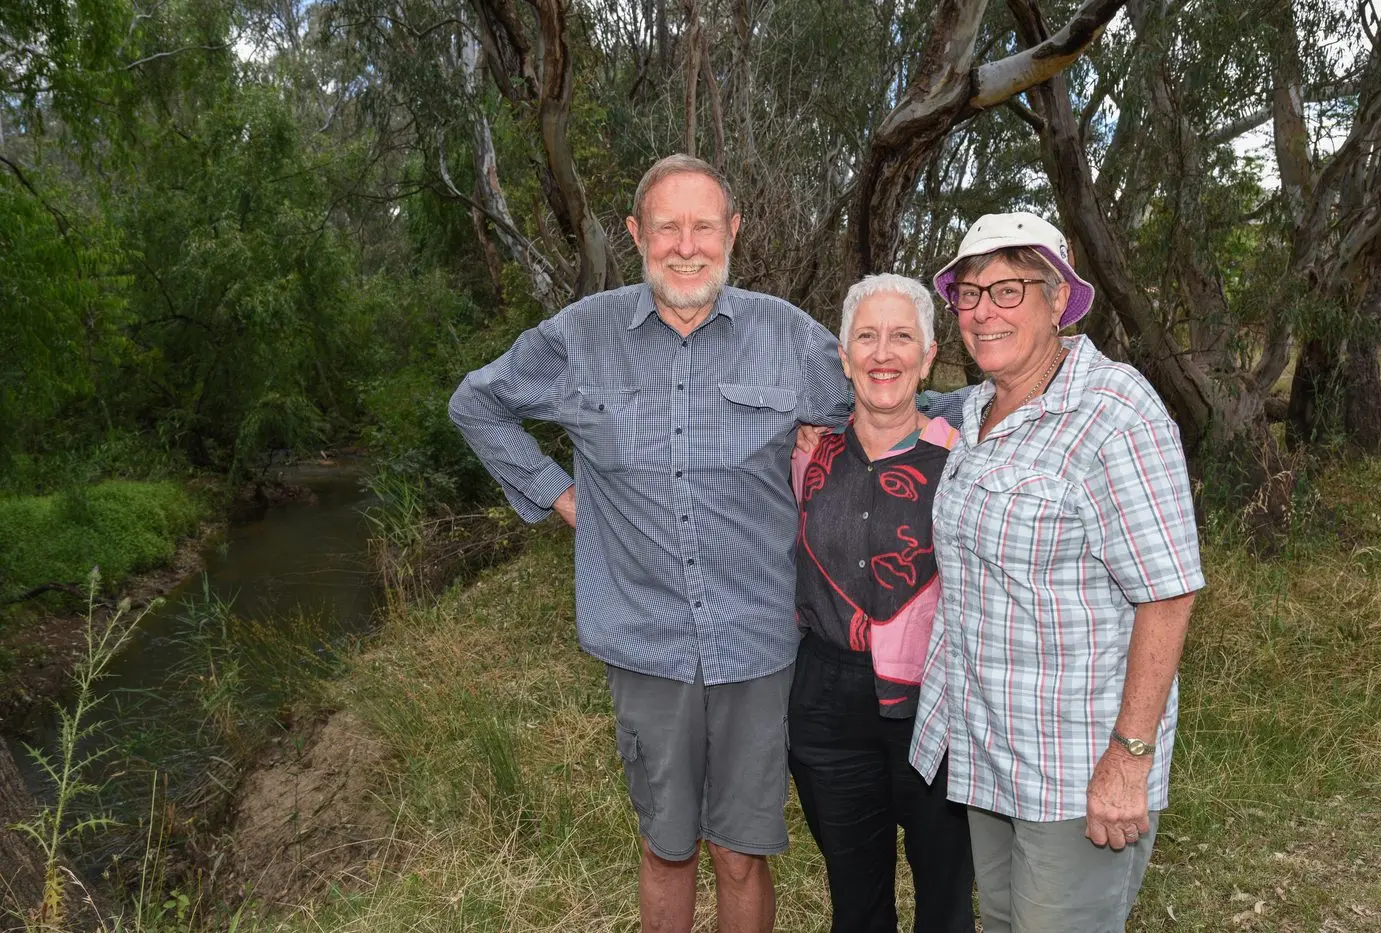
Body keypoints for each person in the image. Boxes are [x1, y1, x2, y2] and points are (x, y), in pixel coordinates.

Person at [449, 154, 967, 933]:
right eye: (666, 227)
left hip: (758, 647)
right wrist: (560, 495)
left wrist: (1003, 400)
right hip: (644, 642)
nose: (685, 245)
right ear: (635, 235)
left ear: (733, 231)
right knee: (667, 847)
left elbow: (883, 395)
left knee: (739, 851)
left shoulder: (786, 336)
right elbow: (477, 403)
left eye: (703, 225)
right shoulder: (582, 337)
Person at [906, 212, 1205, 933]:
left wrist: (1128, 759)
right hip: (990, 748)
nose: (982, 311)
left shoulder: (1114, 412)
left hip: (1077, 765)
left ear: (1055, 299)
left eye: (1006, 289)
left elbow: (1167, 592)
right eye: (968, 294)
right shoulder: (979, 406)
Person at [788, 274, 975, 933]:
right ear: (843, 355)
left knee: (946, 907)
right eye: (866, 336)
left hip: (939, 701)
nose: (882, 352)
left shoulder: (966, 457)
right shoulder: (807, 454)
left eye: (902, 337)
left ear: (928, 356)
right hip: (827, 702)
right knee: (857, 907)